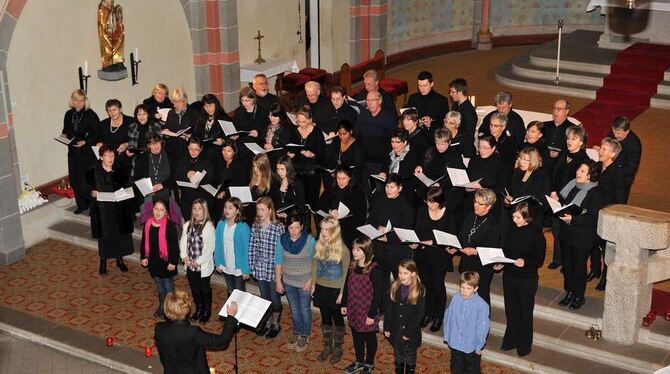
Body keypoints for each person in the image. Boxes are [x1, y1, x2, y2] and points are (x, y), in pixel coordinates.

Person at [498, 202, 546, 356]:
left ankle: (524, 345)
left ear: (527, 218)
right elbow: (506, 250)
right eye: (513, 216)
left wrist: (526, 262)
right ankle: (510, 340)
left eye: (518, 217)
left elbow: (539, 259)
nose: (514, 219)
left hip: (527, 278)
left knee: (525, 311)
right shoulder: (511, 229)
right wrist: (500, 263)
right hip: (510, 276)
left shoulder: (536, 233)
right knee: (511, 310)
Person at [154, 289, 239, 374]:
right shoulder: (193, 332)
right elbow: (221, 341)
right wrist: (231, 317)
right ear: (187, 309)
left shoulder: (159, 328)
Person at [555, 160, 603, 310]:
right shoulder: (573, 186)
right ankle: (569, 292)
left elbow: (593, 217)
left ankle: (578, 296)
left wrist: (573, 219)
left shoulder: (595, 193)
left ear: (590, 176)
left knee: (578, 267)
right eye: (578, 169)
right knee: (568, 266)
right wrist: (557, 202)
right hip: (567, 233)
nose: (578, 173)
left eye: (582, 171)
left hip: (582, 237)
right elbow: (566, 204)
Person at [412, 185, 456, 332]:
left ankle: (438, 316)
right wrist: (415, 243)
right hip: (423, 254)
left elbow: (451, 238)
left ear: (440, 202)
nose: (429, 205)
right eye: (427, 201)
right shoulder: (422, 211)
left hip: (440, 256)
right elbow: (418, 230)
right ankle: (428, 313)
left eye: (432, 202)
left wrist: (432, 242)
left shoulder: (449, 215)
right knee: (427, 285)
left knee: (438, 286)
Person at [87, 145, 134, 275]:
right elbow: (84, 188)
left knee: (119, 236)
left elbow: (130, 185)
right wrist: (92, 193)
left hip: (118, 209)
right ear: (101, 157)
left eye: (113, 155)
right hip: (102, 211)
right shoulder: (93, 171)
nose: (110, 159)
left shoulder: (121, 169)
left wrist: (125, 192)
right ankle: (103, 262)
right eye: (107, 156)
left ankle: (120, 259)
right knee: (105, 238)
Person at [341, 237, 384, 374]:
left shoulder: (374, 269)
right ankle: (359, 361)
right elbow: (347, 286)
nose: (354, 252)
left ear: (366, 251)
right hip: (353, 308)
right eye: (353, 248)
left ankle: (370, 363)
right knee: (356, 336)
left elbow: (378, 295)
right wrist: (344, 304)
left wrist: (371, 314)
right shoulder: (352, 265)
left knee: (369, 338)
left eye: (358, 250)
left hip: (367, 310)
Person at [547, 125, 588, 270]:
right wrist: (553, 191)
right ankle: (558, 259)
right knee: (557, 230)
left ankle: (567, 262)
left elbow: (580, 184)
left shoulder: (584, 160)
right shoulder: (564, 153)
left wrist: (562, 196)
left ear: (581, 142)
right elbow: (553, 173)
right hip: (556, 198)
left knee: (568, 233)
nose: (569, 141)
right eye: (568, 138)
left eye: (573, 139)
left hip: (572, 201)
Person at [274, 213, 316, 352]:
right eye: (291, 228)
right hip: (288, 281)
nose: (294, 231)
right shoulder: (282, 240)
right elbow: (278, 261)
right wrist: (278, 281)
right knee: (295, 309)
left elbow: (316, 263)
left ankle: (305, 334)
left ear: (302, 227)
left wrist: (311, 282)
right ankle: (297, 331)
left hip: (305, 282)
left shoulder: (309, 241)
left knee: (304, 309)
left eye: (297, 228)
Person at [312, 216, 351, 364]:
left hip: (335, 289)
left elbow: (346, 273)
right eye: (322, 228)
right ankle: (327, 346)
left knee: (338, 318)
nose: (323, 232)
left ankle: (337, 348)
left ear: (334, 231)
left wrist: (342, 293)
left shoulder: (344, 250)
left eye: (327, 229)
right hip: (321, 287)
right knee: (325, 317)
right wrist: (314, 284)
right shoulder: (318, 244)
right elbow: (315, 265)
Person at [454, 188, 502, 305]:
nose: (476, 205)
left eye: (480, 204)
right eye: (475, 202)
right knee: (465, 297)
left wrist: (475, 251)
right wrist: (455, 246)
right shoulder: (470, 216)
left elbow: (491, 250)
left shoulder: (493, 225)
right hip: (466, 263)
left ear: (489, 206)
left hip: (482, 268)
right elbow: (462, 236)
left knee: (481, 298)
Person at [368, 174, 415, 286]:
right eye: (387, 186)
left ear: (400, 188)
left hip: (396, 250)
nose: (388, 190)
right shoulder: (380, 200)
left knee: (398, 283)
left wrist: (388, 238)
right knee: (379, 281)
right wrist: (378, 228)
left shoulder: (406, 207)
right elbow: (371, 219)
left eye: (392, 187)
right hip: (379, 248)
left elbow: (405, 231)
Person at [249, 197, 285, 338]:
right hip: (260, 268)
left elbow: (281, 252)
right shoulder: (256, 226)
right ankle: (268, 322)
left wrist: (279, 275)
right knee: (264, 298)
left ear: (270, 211)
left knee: (275, 299)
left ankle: (276, 324)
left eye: (262, 209)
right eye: (258, 209)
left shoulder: (278, 227)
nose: (259, 212)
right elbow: (252, 246)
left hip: (273, 269)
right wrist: (252, 266)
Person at [592, 137, 626, 291]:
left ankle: (606, 277)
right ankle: (594, 270)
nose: (600, 151)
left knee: (606, 249)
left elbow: (620, 199)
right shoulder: (598, 167)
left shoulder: (617, 173)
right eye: (601, 148)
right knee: (593, 244)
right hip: (593, 213)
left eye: (604, 149)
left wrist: (615, 217)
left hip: (607, 216)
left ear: (613, 154)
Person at [443, 271, 490, 374]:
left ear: (475, 288)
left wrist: (479, 346)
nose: (464, 291)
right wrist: (447, 336)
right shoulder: (456, 298)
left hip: (470, 346)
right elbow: (448, 317)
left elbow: (483, 328)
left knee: (471, 369)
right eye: (462, 287)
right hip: (455, 342)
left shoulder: (482, 306)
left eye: (468, 288)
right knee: (455, 367)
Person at [383, 259, 425, 374]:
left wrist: (408, 332)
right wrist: (386, 326)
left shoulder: (419, 290)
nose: (401, 276)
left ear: (413, 273)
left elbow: (419, 314)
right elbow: (389, 309)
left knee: (410, 356)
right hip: (395, 330)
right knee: (398, 355)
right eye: (399, 273)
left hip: (411, 333)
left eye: (405, 273)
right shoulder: (395, 286)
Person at [62, 89, 100, 214]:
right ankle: (82, 205)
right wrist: (63, 136)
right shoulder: (68, 114)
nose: (78, 103)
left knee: (88, 180)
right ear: (72, 101)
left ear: (85, 101)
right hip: (73, 153)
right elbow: (66, 130)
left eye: (81, 101)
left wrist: (86, 142)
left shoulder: (91, 115)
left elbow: (97, 134)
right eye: (76, 100)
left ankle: (93, 205)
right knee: (75, 180)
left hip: (86, 152)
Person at [140, 198, 180, 318]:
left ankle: (171, 310)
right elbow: (144, 241)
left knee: (168, 287)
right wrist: (143, 256)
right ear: (152, 209)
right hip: (154, 261)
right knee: (159, 284)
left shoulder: (169, 226)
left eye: (161, 210)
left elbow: (174, 246)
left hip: (166, 262)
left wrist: (173, 261)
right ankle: (162, 306)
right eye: (156, 209)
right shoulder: (148, 224)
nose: (158, 212)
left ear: (166, 212)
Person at [180, 198, 216, 323]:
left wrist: (199, 261)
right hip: (190, 265)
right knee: (194, 288)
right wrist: (184, 256)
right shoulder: (187, 225)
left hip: (202, 265)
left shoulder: (209, 227)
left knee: (204, 288)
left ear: (204, 210)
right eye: (194, 209)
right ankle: (199, 309)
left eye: (199, 209)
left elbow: (210, 248)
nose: (196, 211)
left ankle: (207, 310)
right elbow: (183, 243)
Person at [355, 91, 397, 195]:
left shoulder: (389, 117)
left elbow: (391, 142)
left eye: (372, 100)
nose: (369, 103)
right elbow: (357, 137)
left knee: (379, 191)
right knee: (366, 188)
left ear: (380, 101)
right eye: (367, 100)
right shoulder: (362, 116)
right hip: (365, 160)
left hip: (381, 161)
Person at [317, 166, 367, 247]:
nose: (341, 181)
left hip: (349, 226)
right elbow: (319, 206)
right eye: (338, 178)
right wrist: (329, 211)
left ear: (349, 177)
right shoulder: (331, 188)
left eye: (344, 178)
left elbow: (361, 215)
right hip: (330, 224)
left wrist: (345, 216)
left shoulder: (357, 191)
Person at [286, 105, 325, 208]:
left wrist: (312, 155)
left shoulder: (317, 133)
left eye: (303, 122)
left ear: (310, 120)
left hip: (312, 171)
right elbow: (291, 147)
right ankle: (303, 223)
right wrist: (290, 154)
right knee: (299, 201)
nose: (301, 124)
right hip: (297, 170)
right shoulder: (294, 131)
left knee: (312, 202)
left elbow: (321, 154)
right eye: (298, 121)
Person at [504, 147, 550, 227]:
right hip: (514, 218)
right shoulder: (516, 173)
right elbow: (511, 193)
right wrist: (508, 201)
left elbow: (544, 204)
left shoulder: (542, 178)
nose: (521, 162)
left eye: (525, 160)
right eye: (521, 158)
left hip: (531, 221)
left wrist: (525, 213)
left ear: (533, 161)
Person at [214, 197, 251, 295]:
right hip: (226, 263)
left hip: (238, 267)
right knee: (230, 290)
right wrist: (217, 262)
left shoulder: (243, 227)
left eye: (230, 208)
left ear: (237, 210)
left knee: (239, 293)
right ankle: (231, 309)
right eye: (225, 207)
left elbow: (247, 250)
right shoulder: (221, 224)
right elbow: (217, 244)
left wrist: (246, 269)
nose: (226, 210)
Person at [465, 135, 508, 217]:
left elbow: (502, 188)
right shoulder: (474, 160)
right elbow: (467, 178)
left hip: (489, 205)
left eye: (485, 148)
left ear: (493, 148)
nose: (481, 150)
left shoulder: (499, 164)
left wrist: (483, 189)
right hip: (472, 201)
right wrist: (467, 186)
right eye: (480, 147)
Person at [163, 88, 201, 180]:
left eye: (177, 102)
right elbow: (167, 127)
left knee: (184, 175)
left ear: (184, 101)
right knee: (173, 175)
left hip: (186, 149)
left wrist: (188, 136)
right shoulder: (171, 113)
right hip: (172, 148)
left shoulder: (193, 113)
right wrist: (166, 133)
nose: (174, 105)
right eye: (174, 102)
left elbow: (198, 133)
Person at [175, 138, 214, 221]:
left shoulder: (207, 161)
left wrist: (197, 176)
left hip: (201, 196)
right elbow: (177, 176)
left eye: (196, 149)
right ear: (188, 147)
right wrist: (186, 174)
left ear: (201, 149)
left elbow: (210, 179)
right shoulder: (183, 159)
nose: (193, 152)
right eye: (191, 149)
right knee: (188, 221)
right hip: (187, 197)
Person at [211, 139, 249, 220]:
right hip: (219, 200)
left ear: (234, 152)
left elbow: (240, 184)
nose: (225, 153)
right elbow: (215, 180)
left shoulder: (240, 166)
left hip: (232, 201)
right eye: (223, 150)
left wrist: (226, 192)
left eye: (228, 151)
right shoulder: (220, 163)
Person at [406, 71, 449, 137]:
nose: (422, 89)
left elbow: (445, 124)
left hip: (433, 137)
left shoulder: (441, 101)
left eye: (425, 86)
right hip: (415, 135)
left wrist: (430, 123)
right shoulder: (413, 98)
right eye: (419, 86)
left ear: (431, 84)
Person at [232, 87, 268, 163]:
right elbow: (235, 128)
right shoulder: (239, 112)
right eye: (242, 101)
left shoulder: (262, 111)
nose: (244, 103)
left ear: (253, 99)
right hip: (242, 144)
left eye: (247, 101)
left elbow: (267, 129)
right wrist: (235, 135)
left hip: (257, 143)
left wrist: (258, 133)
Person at [610, 116, 642, 202]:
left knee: (618, 204)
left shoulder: (634, 144)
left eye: (619, 133)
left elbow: (631, 168)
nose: (615, 136)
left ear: (627, 131)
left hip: (622, 180)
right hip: (609, 174)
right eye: (614, 132)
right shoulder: (613, 133)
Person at [542, 99, 575, 173]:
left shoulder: (573, 129)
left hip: (561, 167)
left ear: (566, 111)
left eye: (559, 109)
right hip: (542, 165)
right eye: (554, 108)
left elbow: (576, 150)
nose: (555, 111)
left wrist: (560, 154)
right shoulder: (544, 125)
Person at [195, 94, 230, 163]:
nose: (208, 109)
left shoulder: (224, 119)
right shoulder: (202, 118)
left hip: (218, 153)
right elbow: (196, 134)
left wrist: (223, 141)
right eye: (206, 106)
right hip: (203, 152)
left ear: (216, 105)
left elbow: (231, 138)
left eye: (211, 105)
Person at [244, 154, 273, 223]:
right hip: (249, 215)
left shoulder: (270, 183)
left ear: (264, 167)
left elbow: (272, 203)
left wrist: (263, 201)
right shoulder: (251, 179)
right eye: (254, 166)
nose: (255, 169)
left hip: (261, 218)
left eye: (258, 167)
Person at [97, 0, 125, 71]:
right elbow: (103, 25)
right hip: (106, 34)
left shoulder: (110, 7)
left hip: (113, 31)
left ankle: (117, 60)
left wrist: (118, 12)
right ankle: (108, 64)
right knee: (108, 45)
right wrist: (108, 27)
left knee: (120, 36)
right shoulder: (102, 8)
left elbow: (114, 18)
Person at [335, 120, 365, 186]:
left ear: (351, 132)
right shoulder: (336, 141)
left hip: (350, 177)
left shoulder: (357, 146)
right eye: (340, 134)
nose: (342, 137)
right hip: (337, 175)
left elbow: (358, 166)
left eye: (345, 134)